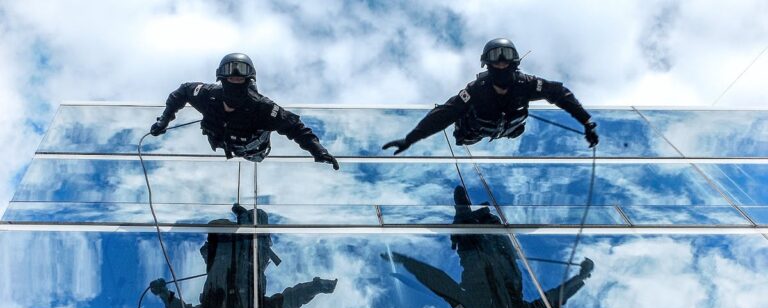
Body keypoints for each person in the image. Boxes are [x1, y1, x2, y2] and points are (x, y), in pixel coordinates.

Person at [385, 186, 594, 308]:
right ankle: (472, 212)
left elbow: (438, 283)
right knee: (479, 217)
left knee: (469, 215)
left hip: (477, 246)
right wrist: (579, 278)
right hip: (493, 246)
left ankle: (467, 211)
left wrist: (406, 262)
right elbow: (553, 301)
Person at [150, 204, 338, 308]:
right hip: (250, 250)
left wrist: (163, 293)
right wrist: (315, 287)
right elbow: (289, 301)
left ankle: (241, 217)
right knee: (257, 216)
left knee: (221, 223)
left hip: (223, 248)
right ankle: (244, 217)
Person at [383, 38, 598, 154]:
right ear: (487, 64)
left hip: (509, 129)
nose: (502, 63)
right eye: (496, 59)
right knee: (459, 121)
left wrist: (586, 121)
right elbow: (443, 114)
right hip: (473, 133)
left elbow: (560, 93)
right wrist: (410, 139)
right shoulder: (476, 90)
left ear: (514, 63)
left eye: (506, 59)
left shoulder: (526, 84)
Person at [149, 53, 339, 169]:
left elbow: (295, 127)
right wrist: (164, 120)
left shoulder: (262, 107)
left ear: (249, 81)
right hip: (221, 143)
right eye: (231, 77)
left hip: (255, 151)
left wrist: (318, 151)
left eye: (241, 78)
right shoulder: (208, 95)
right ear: (222, 78)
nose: (236, 80)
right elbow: (181, 92)